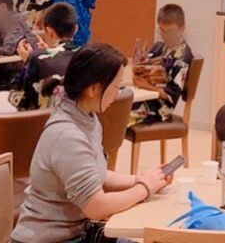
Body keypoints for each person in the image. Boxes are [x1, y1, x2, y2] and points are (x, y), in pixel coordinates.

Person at [11, 44, 172, 243]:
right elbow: (96, 207)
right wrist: (143, 189)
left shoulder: (87, 118)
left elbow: (96, 173)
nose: (118, 94)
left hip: (79, 232)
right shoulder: (67, 136)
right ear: (94, 89)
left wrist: (140, 180)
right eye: (116, 87)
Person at [131, 3, 195, 124]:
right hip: (145, 99)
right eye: (162, 31)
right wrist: (139, 66)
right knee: (115, 106)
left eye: (170, 32)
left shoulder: (182, 58)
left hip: (160, 109)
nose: (165, 36)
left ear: (182, 29)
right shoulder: (158, 47)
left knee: (121, 116)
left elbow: (170, 95)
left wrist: (145, 85)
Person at [9, 2, 80, 110]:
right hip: (80, 116)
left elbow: (18, 100)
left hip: (48, 118)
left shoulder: (38, 58)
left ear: (48, 31)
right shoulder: (88, 55)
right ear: (76, 29)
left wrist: (29, 60)